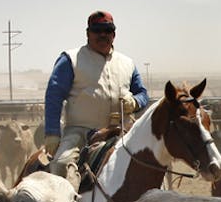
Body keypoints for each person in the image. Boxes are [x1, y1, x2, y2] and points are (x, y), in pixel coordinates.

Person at [42, 10, 151, 181]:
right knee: (61, 164)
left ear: (114, 34)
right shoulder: (70, 59)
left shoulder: (127, 63)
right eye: (97, 30)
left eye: (107, 31)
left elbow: (143, 94)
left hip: (122, 132)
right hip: (80, 133)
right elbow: (54, 96)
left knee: (152, 164)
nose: (102, 35)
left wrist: (135, 102)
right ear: (88, 33)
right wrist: (52, 133)